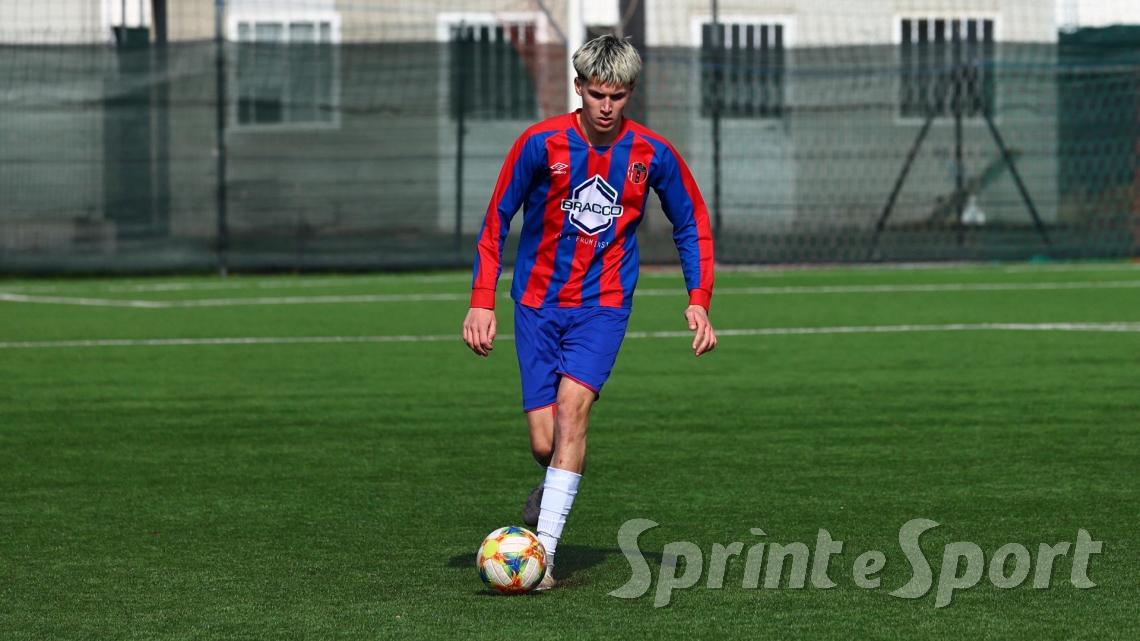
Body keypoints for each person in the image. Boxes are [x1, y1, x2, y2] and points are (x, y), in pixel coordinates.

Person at [461, 34, 717, 590]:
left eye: (618, 96)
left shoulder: (651, 153)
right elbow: (496, 219)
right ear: (578, 87)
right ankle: (554, 482)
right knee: (545, 442)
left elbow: (691, 221)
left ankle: (544, 557)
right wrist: (482, 300)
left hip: (603, 307)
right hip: (536, 304)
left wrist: (698, 298)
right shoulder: (540, 144)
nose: (607, 106)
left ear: (630, 93)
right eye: (598, 94)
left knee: (573, 411)